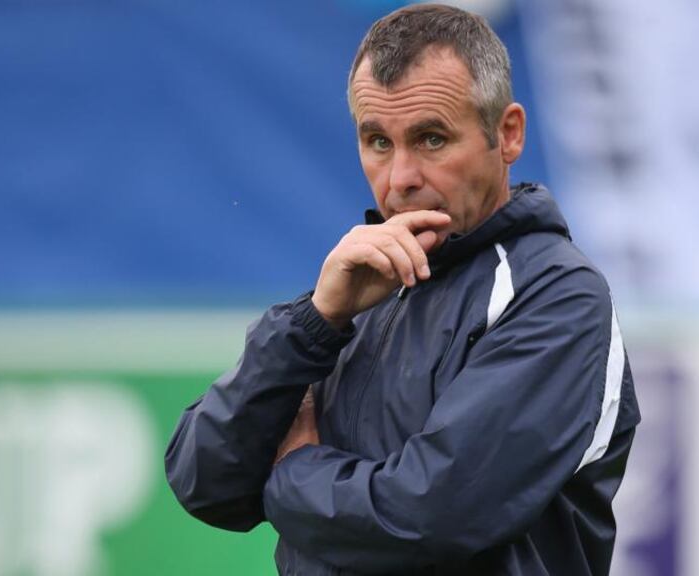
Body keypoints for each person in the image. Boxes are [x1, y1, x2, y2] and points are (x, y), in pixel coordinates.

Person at [165, 4, 640, 575]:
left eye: (432, 138)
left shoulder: (557, 296)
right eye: (378, 141)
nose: (401, 177)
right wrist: (314, 322)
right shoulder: (354, 295)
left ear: (507, 134)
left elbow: (432, 514)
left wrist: (293, 469)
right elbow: (205, 481)